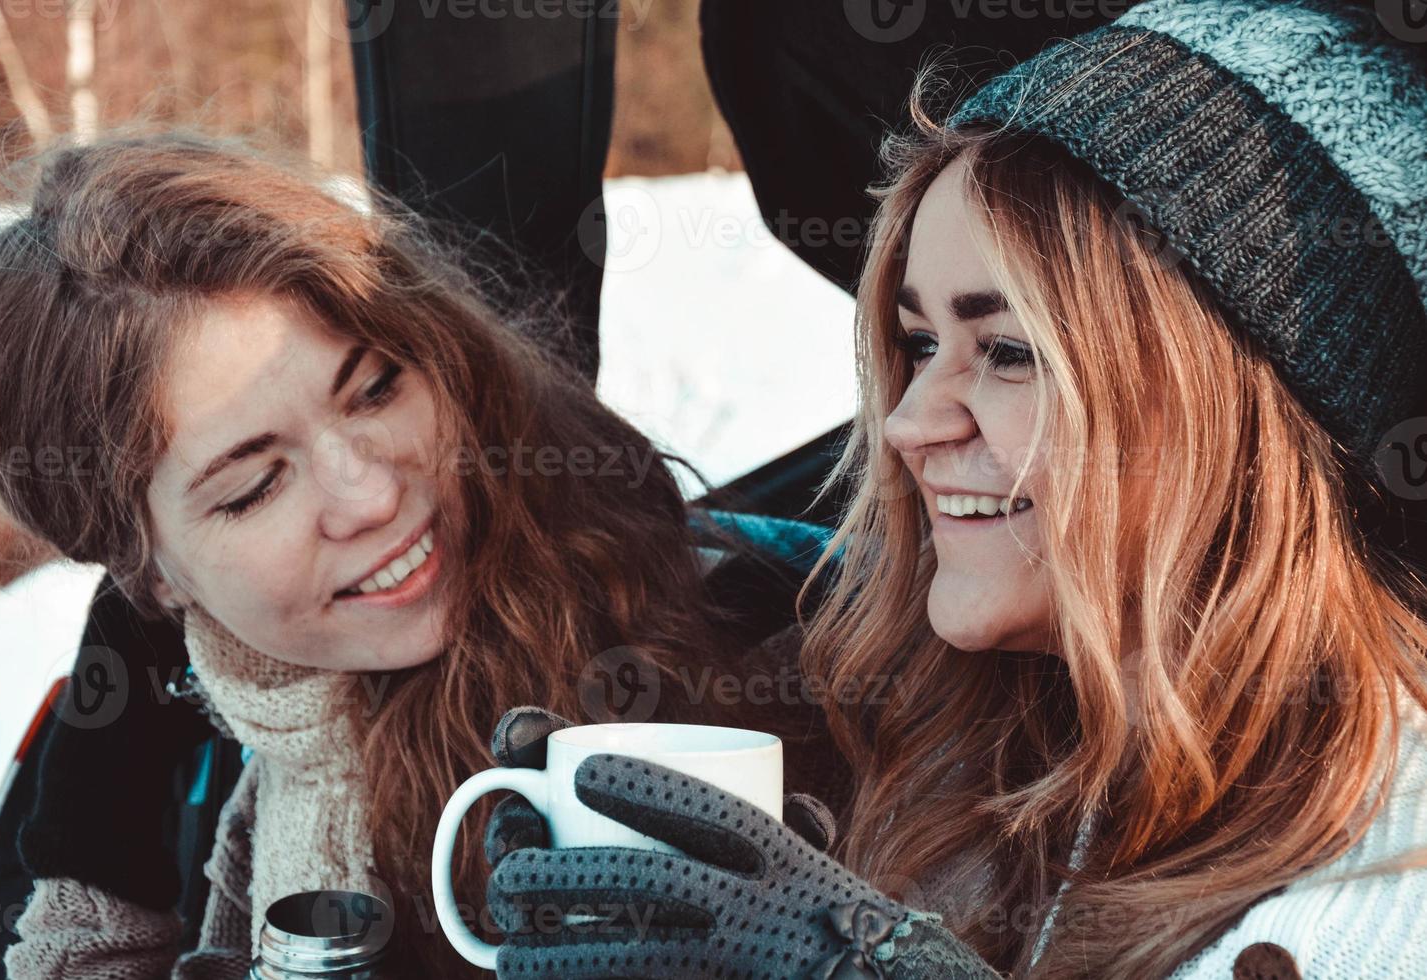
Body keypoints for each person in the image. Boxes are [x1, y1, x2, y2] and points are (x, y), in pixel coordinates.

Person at [475, 2, 1427, 977]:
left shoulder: (1391, 877)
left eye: (1007, 352)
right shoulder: (1007, 749)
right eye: (919, 343)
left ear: (1235, 416)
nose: (906, 423)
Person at [0, 125, 846, 977]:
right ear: (147, 571)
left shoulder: (745, 637)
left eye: (376, 388)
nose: (373, 494)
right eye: (254, 487)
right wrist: (96, 850)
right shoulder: (192, 710)